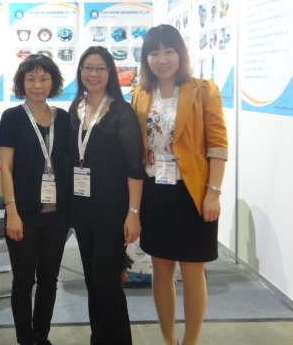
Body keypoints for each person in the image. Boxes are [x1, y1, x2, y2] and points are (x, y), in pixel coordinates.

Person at [130, 24, 228, 345]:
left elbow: (218, 146)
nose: (162, 59)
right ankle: (168, 339)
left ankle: (190, 342)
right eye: (154, 53)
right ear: (146, 59)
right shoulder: (139, 94)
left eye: (168, 51)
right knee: (160, 268)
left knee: (192, 270)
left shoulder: (204, 91)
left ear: (180, 54)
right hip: (155, 192)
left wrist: (213, 193)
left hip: (193, 193)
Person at [68, 46, 145, 345]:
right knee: (92, 280)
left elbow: (134, 168)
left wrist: (133, 214)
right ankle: (99, 338)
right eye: (88, 67)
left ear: (110, 72)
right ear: (80, 72)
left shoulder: (121, 113)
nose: (94, 74)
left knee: (106, 281)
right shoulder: (75, 108)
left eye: (100, 68)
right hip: (82, 209)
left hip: (113, 210)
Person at [0, 53, 71, 345]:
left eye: (43, 78)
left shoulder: (63, 119)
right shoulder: (12, 118)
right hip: (23, 213)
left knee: (49, 280)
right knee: (23, 281)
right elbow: (6, 168)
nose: (37, 85)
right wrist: (12, 212)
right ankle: (25, 338)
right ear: (22, 82)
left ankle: (42, 335)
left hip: (58, 215)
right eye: (31, 79)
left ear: (53, 82)